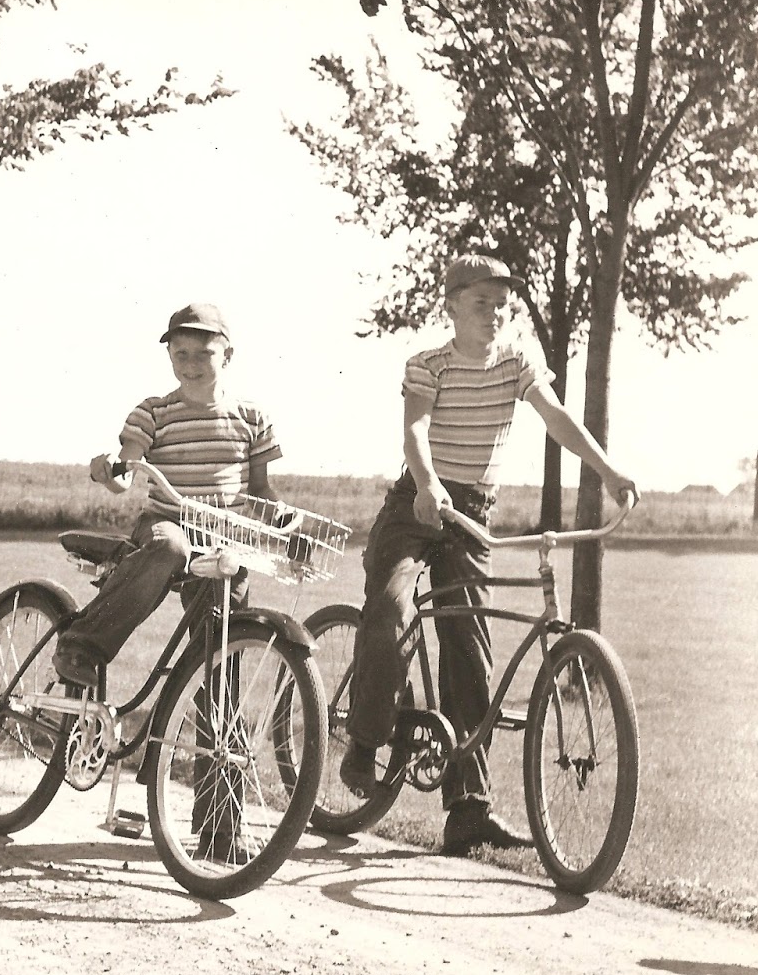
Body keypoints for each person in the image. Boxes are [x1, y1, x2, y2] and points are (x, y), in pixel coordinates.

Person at [338, 252, 640, 855]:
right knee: (393, 610)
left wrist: (607, 471)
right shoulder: (429, 364)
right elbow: (415, 431)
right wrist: (426, 486)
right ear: (451, 306)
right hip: (416, 505)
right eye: (482, 302)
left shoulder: (517, 361)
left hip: (471, 514)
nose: (496, 313)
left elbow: (556, 418)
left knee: (470, 649)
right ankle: (364, 745)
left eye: (504, 303)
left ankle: (468, 811)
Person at [51, 302, 292, 690]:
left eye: (204, 353)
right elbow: (125, 474)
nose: (191, 363)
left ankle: (213, 746)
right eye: (181, 353)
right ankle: (81, 645)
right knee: (170, 549)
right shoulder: (154, 412)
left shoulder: (252, 419)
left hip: (225, 539)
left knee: (221, 651)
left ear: (228, 355)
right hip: (168, 524)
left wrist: (281, 517)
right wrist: (108, 470)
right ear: (169, 355)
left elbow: (261, 490)